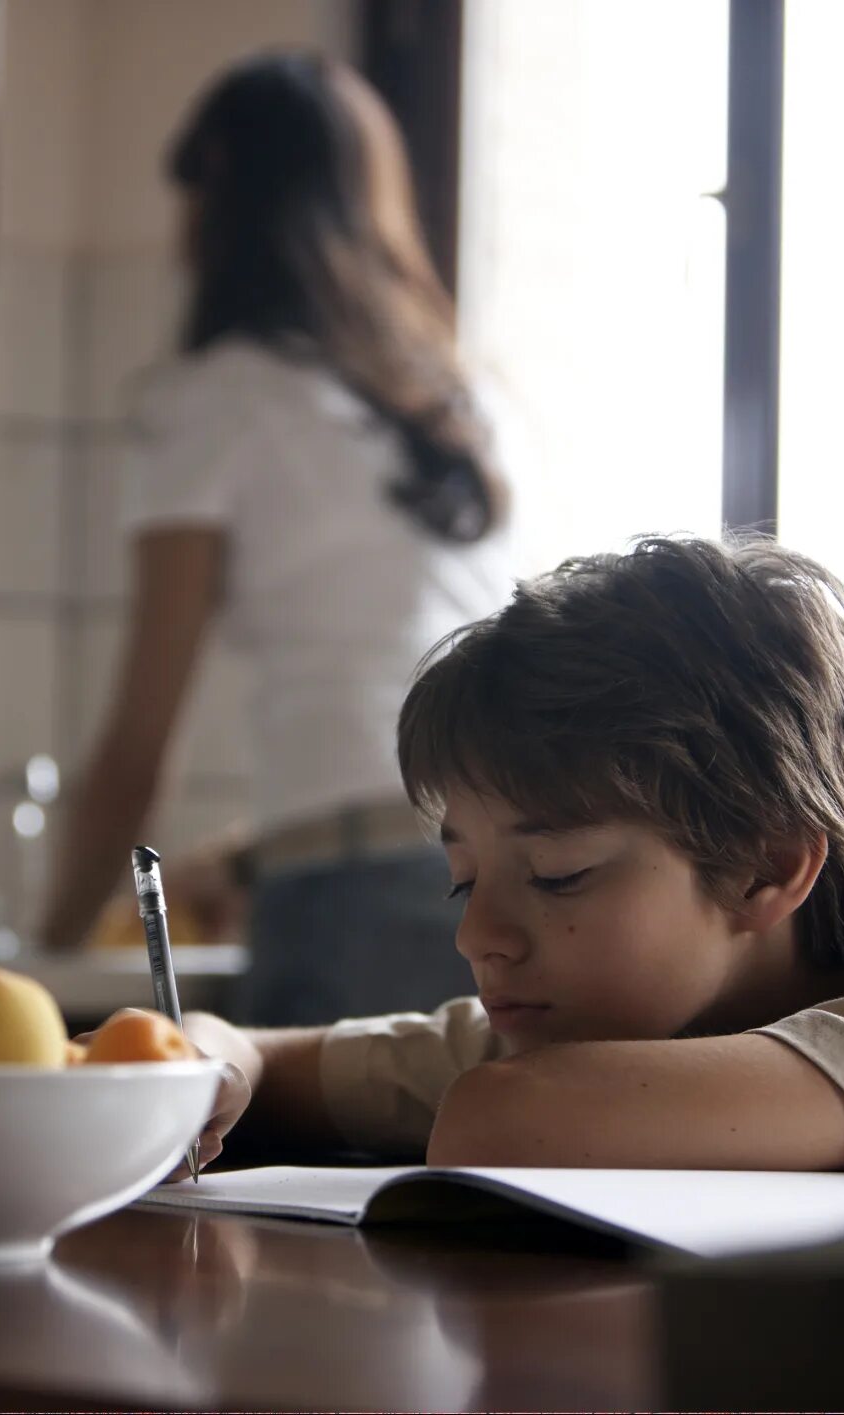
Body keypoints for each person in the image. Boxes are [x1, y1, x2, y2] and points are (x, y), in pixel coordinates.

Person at [172, 536, 844, 1219]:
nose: (477, 933)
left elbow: (501, 1116)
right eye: (463, 878)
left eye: (557, 873)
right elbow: (286, 1061)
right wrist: (213, 1052)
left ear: (767, 864)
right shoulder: (636, 1020)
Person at [37, 50, 521, 1027]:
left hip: (352, 905)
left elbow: (142, 736)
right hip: (509, 870)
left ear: (216, 188)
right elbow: (398, 700)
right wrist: (257, 851)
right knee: (471, 1179)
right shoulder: (458, 407)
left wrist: (41, 952)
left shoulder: (215, 398)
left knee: (322, 1181)